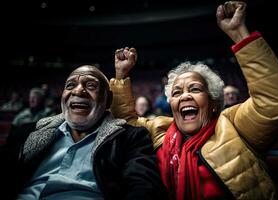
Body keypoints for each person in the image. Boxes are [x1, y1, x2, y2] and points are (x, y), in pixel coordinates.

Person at [110, 1, 278, 200]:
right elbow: (125, 124)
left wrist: (239, 34)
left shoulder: (234, 125)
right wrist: (121, 76)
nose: (185, 96)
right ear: (171, 104)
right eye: (177, 92)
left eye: (195, 89)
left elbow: (275, 102)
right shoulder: (159, 130)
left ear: (214, 101)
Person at [0, 65, 166, 200]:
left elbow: (143, 188)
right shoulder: (26, 133)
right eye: (70, 85)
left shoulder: (130, 137)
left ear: (107, 100)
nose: (78, 91)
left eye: (91, 85)